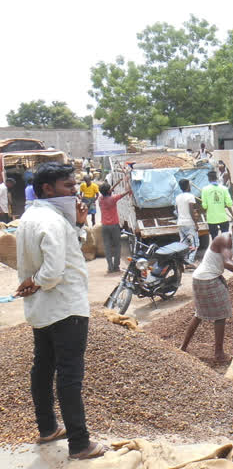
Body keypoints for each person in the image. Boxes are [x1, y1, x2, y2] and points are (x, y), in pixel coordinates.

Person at [15, 162, 107, 460]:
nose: (75, 191)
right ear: (47, 188)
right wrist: (37, 281)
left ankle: (47, 428)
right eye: (68, 186)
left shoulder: (32, 216)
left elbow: (67, 249)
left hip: (43, 309)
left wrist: (79, 225)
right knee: (69, 375)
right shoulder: (52, 221)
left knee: (42, 367)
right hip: (66, 307)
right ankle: (80, 444)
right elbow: (53, 272)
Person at [181, 216, 233, 362]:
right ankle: (218, 353)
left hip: (203, 278)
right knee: (220, 315)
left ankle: (183, 347)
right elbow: (227, 263)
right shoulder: (225, 239)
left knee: (199, 314)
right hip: (207, 279)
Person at [98, 180, 132, 273]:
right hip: (114, 225)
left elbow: (107, 193)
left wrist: (114, 185)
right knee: (117, 246)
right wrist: (127, 182)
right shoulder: (113, 199)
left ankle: (110, 267)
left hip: (105, 226)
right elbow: (126, 193)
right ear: (109, 191)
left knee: (107, 246)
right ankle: (116, 266)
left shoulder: (100, 199)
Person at [175, 179, 202, 270]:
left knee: (183, 243)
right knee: (195, 243)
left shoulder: (178, 197)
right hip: (189, 223)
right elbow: (191, 211)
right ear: (188, 186)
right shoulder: (190, 196)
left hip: (180, 223)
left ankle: (183, 261)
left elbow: (177, 210)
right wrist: (195, 223)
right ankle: (189, 262)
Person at [201, 170, 233, 241]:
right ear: (216, 178)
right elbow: (229, 203)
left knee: (214, 238)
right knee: (225, 238)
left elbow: (204, 206)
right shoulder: (224, 189)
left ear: (209, 179)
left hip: (211, 219)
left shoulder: (205, 189)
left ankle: (216, 251)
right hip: (223, 218)